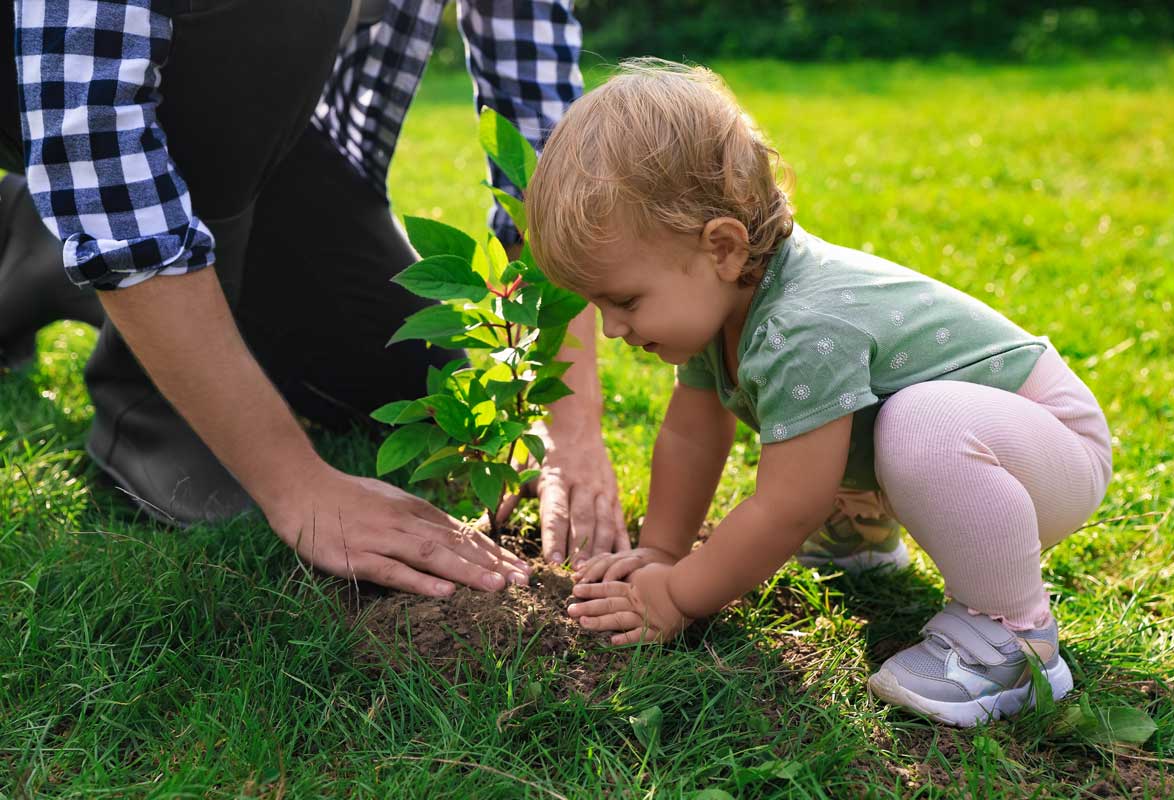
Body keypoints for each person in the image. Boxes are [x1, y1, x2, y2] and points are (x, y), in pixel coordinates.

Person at [525, 59, 1113, 726]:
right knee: (883, 416)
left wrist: (678, 596)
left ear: (722, 247)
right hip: (994, 450)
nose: (611, 328)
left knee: (920, 421)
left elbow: (787, 505)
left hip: (1047, 450)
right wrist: (662, 551)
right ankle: (860, 532)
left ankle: (1012, 640)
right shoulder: (728, 304)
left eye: (625, 299)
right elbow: (692, 436)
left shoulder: (802, 323)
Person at [0, 0, 626, 598]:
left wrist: (569, 427)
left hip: (266, 133)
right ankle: (149, 408)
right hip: (54, 81)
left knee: (409, 379)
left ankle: (43, 234)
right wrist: (299, 485)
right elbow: (91, 126)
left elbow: (536, 114)